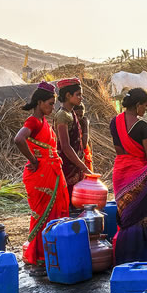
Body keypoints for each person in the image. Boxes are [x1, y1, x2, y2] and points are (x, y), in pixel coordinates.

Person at [13, 82, 71, 266]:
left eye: (53, 104)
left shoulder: (43, 122)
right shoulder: (33, 121)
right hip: (41, 174)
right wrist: (33, 160)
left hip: (51, 172)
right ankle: (40, 254)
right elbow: (19, 139)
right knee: (43, 214)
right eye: (50, 103)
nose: (53, 107)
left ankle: (50, 251)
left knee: (55, 211)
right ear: (39, 102)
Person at [110, 88, 147, 264]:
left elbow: (119, 151)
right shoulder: (142, 125)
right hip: (140, 174)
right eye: (145, 106)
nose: (145, 110)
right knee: (139, 215)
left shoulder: (114, 122)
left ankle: (123, 258)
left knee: (125, 216)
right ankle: (139, 257)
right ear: (137, 105)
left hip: (121, 174)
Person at [54, 78, 92, 209]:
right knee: (69, 204)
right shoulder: (62, 115)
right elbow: (65, 146)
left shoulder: (71, 113)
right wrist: (84, 167)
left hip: (75, 166)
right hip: (68, 167)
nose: (81, 97)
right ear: (68, 96)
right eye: (78, 94)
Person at [74, 102, 93, 172]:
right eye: (76, 115)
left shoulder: (83, 123)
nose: (78, 118)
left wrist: (86, 126)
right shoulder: (69, 125)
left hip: (84, 158)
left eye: (81, 116)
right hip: (74, 159)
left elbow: (86, 145)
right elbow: (84, 144)